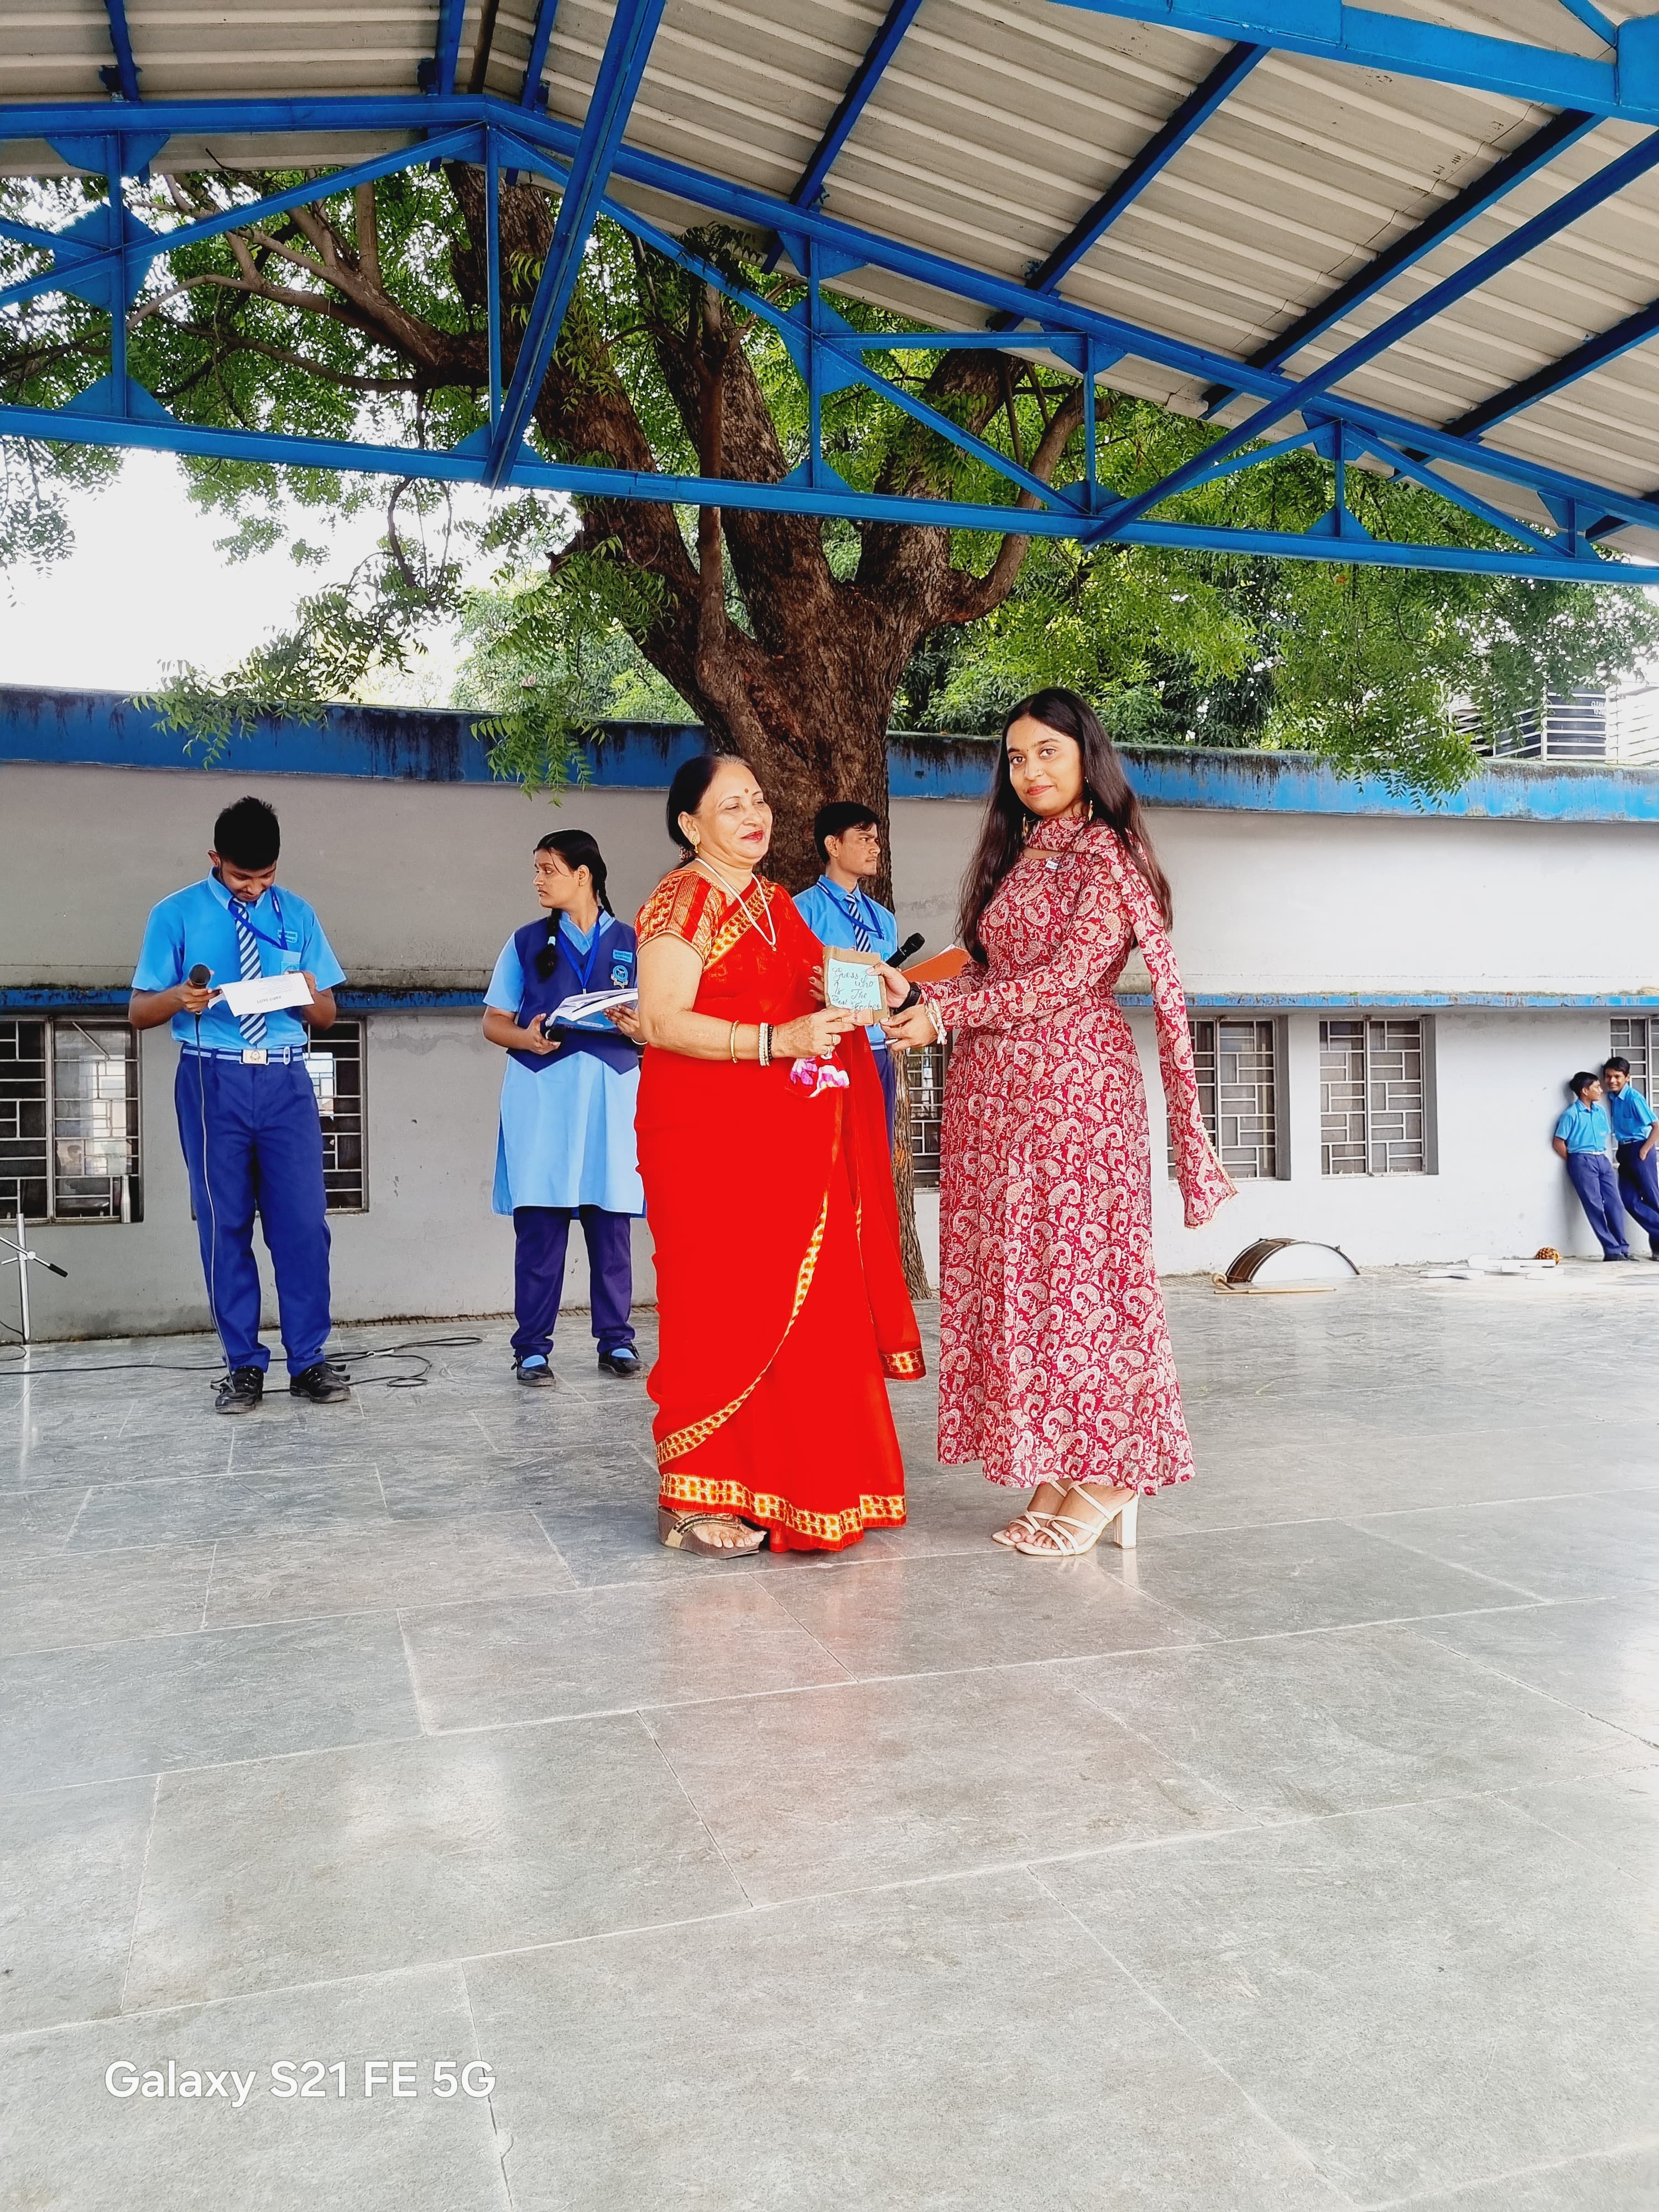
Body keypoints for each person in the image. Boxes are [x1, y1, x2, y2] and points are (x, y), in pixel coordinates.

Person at [880, 688, 1234, 1558]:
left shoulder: (1107, 853)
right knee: (1030, 1286)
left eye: (1047, 751)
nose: (1030, 770)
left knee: (1088, 1284)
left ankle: (1114, 1473)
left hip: (1075, 1100)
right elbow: (993, 971)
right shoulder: (1024, 852)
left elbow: (1070, 979)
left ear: (1086, 757)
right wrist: (917, 991)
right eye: (1016, 757)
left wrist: (945, 1017)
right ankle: (1061, 1462)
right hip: (999, 1102)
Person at [633, 754, 924, 1557]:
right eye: (731, 805)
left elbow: (812, 980)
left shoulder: (769, 902)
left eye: (757, 800)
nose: (754, 815)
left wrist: (883, 989)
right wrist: (776, 1041)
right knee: (716, 1311)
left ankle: (794, 1490)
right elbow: (660, 1019)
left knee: (807, 1313)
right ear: (691, 825)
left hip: (787, 1143)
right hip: (705, 1143)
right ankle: (690, 1500)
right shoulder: (679, 900)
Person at [129, 794, 349, 1415]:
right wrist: (179, 997)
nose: (254, 889)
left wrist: (306, 993)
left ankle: (308, 1360)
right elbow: (138, 1011)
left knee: (303, 1224)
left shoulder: (297, 914)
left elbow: (327, 1016)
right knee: (224, 1224)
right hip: (212, 1080)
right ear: (215, 859)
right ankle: (244, 1365)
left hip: (285, 1081)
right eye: (241, 877)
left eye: (266, 876)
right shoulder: (175, 914)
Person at [483, 830, 645, 1384]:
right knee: (541, 1222)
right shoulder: (525, 942)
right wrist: (525, 1038)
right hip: (543, 1095)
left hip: (611, 1095)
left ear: (584, 875)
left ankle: (616, 1340)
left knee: (611, 1220)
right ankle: (531, 1347)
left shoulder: (632, 942)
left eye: (548, 869)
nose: (538, 880)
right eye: (536, 869)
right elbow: (493, 1022)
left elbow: (657, 1024)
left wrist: (639, 1028)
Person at [793, 803, 902, 1144]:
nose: (876, 848)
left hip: (878, 1049)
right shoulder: (801, 911)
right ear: (834, 845)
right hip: (831, 1049)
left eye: (876, 840)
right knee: (832, 1150)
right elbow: (795, 984)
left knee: (876, 1146)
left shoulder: (884, 919)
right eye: (864, 839)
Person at [1553, 1072, 1635, 1260]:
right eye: (1596, 1087)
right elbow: (1558, 1142)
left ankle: (1623, 1248)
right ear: (1584, 1091)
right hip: (1582, 1159)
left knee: (1615, 1203)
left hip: (1602, 1159)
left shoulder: (1600, 1112)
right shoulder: (1571, 1114)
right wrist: (1576, 1161)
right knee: (1595, 1205)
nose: (1601, 1090)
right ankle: (1612, 1250)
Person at [1600, 1056, 1659, 1259]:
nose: (1612, 1081)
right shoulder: (1613, 1098)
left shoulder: (1634, 1098)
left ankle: (1658, 1250)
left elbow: (1656, 1126)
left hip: (1640, 1149)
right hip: (1624, 1150)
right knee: (1628, 1199)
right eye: (1608, 1077)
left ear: (1627, 1078)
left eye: (1617, 1077)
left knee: (1652, 1198)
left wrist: (1644, 1151)